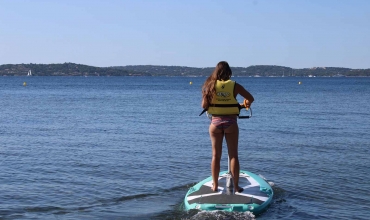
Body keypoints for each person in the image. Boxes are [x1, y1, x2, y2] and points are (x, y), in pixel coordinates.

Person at [201, 61, 254, 193]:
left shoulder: (210, 85)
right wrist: (244, 104)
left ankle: (214, 185)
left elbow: (204, 106)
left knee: (215, 155)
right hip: (231, 123)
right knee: (233, 155)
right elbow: (250, 98)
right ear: (229, 72)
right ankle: (236, 187)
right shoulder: (234, 85)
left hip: (215, 124)